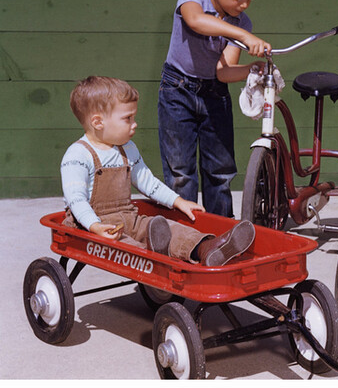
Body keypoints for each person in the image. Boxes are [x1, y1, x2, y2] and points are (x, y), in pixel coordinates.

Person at [61, 76, 255, 267]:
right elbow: (76, 200)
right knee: (128, 248)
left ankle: (207, 248)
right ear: (98, 122)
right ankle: (155, 257)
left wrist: (178, 201)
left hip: (128, 217)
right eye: (127, 118)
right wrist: (94, 226)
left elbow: (148, 182)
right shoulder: (78, 155)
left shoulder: (126, 148)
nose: (134, 123)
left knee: (169, 229)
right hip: (91, 224)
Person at [157, 0, 271, 218]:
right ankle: (182, 233)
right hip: (177, 90)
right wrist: (244, 37)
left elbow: (224, 71)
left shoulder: (242, 22)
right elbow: (196, 21)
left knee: (220, 171)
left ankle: (220, 232)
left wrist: (250, 69)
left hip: (215, 94)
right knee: (180, 172)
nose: (243, 5)